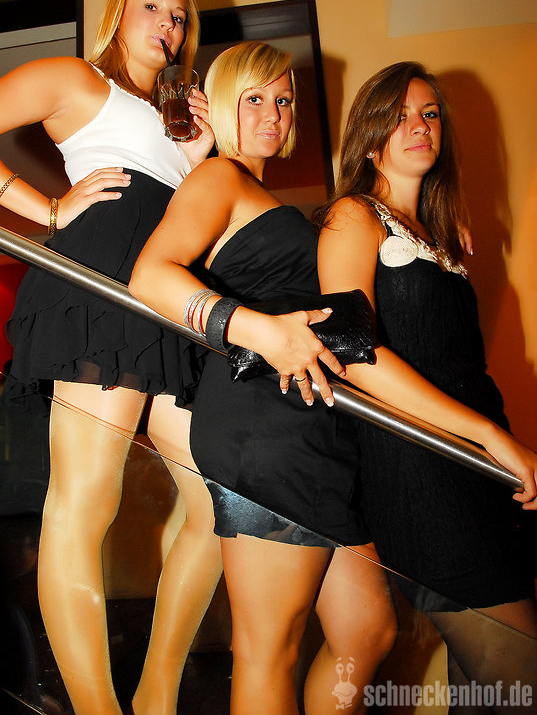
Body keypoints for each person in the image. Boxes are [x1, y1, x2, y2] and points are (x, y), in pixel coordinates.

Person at [129, 41, 396, 715]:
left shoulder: (258, 191)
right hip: (262, 429)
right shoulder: (218, 178)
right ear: (222, 104)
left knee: (366, 630)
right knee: (268, 650)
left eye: (283, 100)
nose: (273, 114)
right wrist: (260, 330)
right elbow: (151, 276)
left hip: (309, 430)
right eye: (254, 98)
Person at [0, 0, 222, 715]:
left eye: (180, 16)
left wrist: (198, 158)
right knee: (85, 502)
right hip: (98, 293)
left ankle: (156, 693)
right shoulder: (76, 79)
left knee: (217, 507)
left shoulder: (177, 123)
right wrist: (46, 209)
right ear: (117, 15)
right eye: (151, 5)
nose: (168, 23)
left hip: (163, 303)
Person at [315, 61, 537, 709]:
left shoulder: (443, 236)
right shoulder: (353, 217)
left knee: (486, 691)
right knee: (521, 679)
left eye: (430, 114)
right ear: (369, 135)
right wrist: (489, 434)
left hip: (478, 470)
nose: (419, 126)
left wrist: (495, 440)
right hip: (420, 470)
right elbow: (353, 355)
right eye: (400, 115)